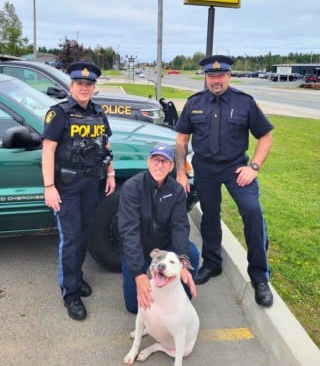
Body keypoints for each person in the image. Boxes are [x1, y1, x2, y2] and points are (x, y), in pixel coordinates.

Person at [174, 55, 274, 307]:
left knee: (252, 212)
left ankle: (260, 277)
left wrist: (254, 167)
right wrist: (180, 172)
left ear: (229, 76)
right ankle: (212, 263)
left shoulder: (244, 103)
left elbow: (266, 136)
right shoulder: (194, 103)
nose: (216, 80)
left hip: (236, 168)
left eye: (220, 76)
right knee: (209, 215)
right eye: (211, 76)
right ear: (206, 77)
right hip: (205, 168)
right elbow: (182, 140)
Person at [42, 62, 116, 320]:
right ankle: (70, 293)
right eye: (80, 84)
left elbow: (105, 145)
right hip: (67, 187)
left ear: (94, 88)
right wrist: (49, 187)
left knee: (84, 234)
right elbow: (48, 150)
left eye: (89, 84)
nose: (84, 88)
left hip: (90, 184)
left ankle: (77, 277)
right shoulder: (59, 113)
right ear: (71, 86)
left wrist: (110, 173)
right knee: (71, 239)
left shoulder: (98, 112)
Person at [118, 142, 199, 314]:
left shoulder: (177, 190)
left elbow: (180, 227)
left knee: (191, 253)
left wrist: (182, 262)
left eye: (165, 161)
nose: (159, 165)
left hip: (164, 246)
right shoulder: (132, 187)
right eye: (156, 160)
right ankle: (142, 278)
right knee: (134, 306)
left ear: (171, 166)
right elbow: (128, 232)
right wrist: (139, 274)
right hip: (138, 247)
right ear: (148, 162)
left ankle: (179, 304)